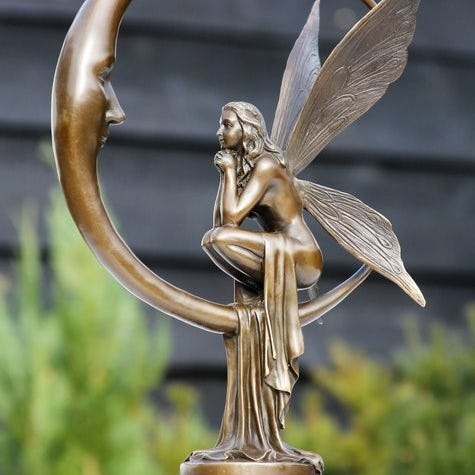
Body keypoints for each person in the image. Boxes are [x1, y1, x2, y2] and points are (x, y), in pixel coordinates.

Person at [194, 102, 324, 473]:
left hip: (300, 255)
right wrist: (228, 175)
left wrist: (228, 170)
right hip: (279, 252)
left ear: (247, 129)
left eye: (227, 125)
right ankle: (259, 304)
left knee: (216, 240)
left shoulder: (266, 166)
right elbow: (223, 220)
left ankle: (263, 303)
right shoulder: (251, 167)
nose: (220, 132)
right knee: (215, 240)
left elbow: (230, 220)